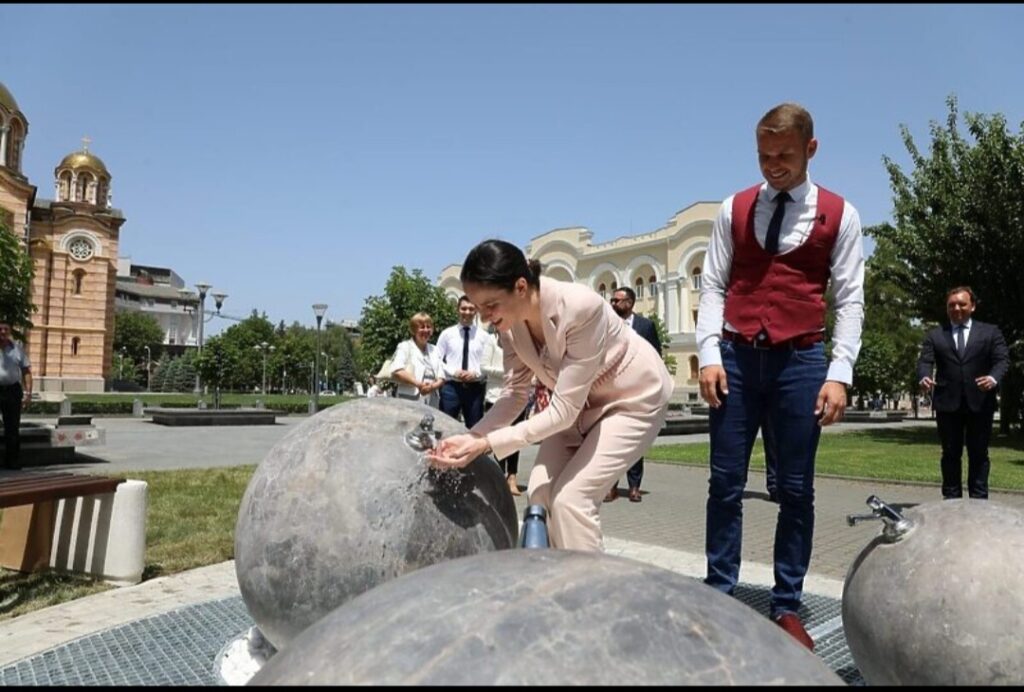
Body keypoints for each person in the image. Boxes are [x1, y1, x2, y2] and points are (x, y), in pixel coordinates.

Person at [695, 102, 865, 651]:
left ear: (811, 149)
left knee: (795, 490)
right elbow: (713, 285)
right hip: (736, 359)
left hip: (802, 361)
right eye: (764, 155)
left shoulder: (840, 214)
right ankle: (719, 591)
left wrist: (839, 373)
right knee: (724, 483)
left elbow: (850, 300)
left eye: (784, 155)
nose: (773, 166)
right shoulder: (734, 208)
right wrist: (709, 353)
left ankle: (787, 603)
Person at [426, 239, 673, 551]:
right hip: (577, 406)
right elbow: (515, 393)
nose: (485, 318)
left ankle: (587, 582)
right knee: (539, 494)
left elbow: (563, 411)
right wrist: (471, 437)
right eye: (478, 308)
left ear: (520, 286)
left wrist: (487, 444)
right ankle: (556, 571)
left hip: (631, 400)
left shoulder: (581, 307)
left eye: (490, 305)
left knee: (572, 501)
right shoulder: (508, 324)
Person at [916, 286, 1008, 500]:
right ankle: (951, 501)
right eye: (951, 305)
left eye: (961, 304)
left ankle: (979, 502)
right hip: (947, 403)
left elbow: (1002, 360)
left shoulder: (990, 332)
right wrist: (924, 377)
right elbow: (925, 361)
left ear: (972, 306)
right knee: (950, 454)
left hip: (980, 402)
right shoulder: (935, 335)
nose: (956, 308)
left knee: (979, 454)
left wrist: (993, 378)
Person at [606, 286, 662, 503]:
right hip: (612, 389)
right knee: (611, 440)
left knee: (634, 439)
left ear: (629, 303)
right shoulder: (607, 324)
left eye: (617, 300)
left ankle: (634, 486)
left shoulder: (645, 326)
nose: (612, 304)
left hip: (638, 390)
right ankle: (610, 486)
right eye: (612, 300)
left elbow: (656, 355)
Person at [480, 325, 529, 496]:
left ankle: (512, 476)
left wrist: (518, 374)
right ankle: (499, 476)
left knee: (515, 438)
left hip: (518, 396)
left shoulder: (520, 342)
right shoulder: (491, 341)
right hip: (495, 396)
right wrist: (509, 373)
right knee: (497, 440)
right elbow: (484, 366)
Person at [435, 296, 490, 427]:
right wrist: (453, 372)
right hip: (451, 388)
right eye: (464, 308)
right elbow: (436, 359)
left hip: (475, 389)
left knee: (475, 429)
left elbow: (488, 363)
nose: (467, 312)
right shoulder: (447, 334)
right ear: (457, 310)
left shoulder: (484, 337)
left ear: (476, 311)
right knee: (445, 427)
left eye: (471, 309)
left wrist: (476, 373)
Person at [389, 312, 446, 407]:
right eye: (422, 327)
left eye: (428, 327)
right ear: (414, 330)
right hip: (409, 398)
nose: (426, 330)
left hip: (432, 399)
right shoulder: (404, 346)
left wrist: (431, 387)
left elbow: (442, 377)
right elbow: (397, 370)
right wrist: (419, 384)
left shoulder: (435, 349)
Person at [0, 320, 33, 471]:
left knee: (12, 428)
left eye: (5, 329)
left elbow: (26, 371)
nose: (2, 332)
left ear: (10, 331)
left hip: (12, 391)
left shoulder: (17, 349)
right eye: (0, 329)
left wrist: (28, 393)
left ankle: (12, 462)